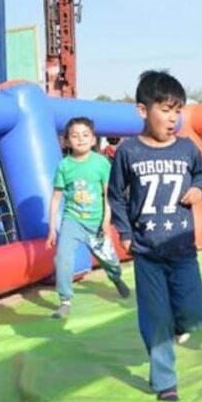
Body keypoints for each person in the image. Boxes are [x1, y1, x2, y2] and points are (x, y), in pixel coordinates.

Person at [108, 71, 202, 402]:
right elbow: (116, 195)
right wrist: (124, 232)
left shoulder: (187, 148)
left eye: (177, 111)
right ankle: (165, 381)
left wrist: (198, 189)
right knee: (156, 317)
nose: (172, 118)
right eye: (165, 110)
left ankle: (181, 326)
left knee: (195, 313)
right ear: (142, 110)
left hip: (182, 248)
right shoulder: (128, 151)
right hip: (147, 251)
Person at [46, 116, 130, 318]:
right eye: (75, 136)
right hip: (72, 221)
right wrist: (52, 229)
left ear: (93, 139)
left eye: (85, 135)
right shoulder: (64, 166)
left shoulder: (101, 163)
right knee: (63, 258)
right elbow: (56, 199)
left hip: (96, 222)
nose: (80, 139)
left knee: (110, 261)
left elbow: (108, 195)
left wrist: (106, 221)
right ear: (66, 141)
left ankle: (116, 278)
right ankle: (65, 300)